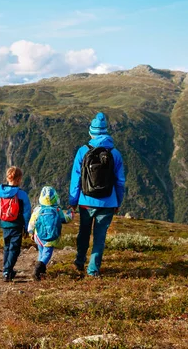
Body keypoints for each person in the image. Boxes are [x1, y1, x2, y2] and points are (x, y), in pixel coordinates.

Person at [69, 112, 126, 278]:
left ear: (91, 132)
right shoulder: (115, 154)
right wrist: (118, 202)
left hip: (86, 201)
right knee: (99, 238)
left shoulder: (82, 151)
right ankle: (93, 270)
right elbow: (120, 182)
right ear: (106, 131)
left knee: (84, 233)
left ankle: (79, 262)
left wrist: (73, 201)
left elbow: (76, 178)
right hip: (108, 202)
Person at [0, 166, 32, 282]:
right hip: (17, 225)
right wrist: (26, 226)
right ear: (19, 179)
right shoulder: (21, 194)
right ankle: (7, 271)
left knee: (7, 247)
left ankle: (6, 269)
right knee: (15, 248)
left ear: (7, 177)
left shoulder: (0, 192)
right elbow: (26, 212)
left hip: (4, 224)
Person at [27, 186, 73, 281]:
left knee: (41, 251)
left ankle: (40, 271)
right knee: (47, 253)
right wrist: (71, 212)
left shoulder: (38, 209)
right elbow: (66, 219)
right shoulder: (57, 210)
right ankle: (39, 268)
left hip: (38, 236)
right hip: (51, 237)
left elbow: (32, 221)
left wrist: (31, 232)